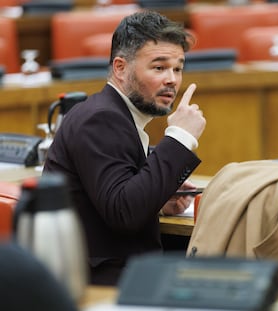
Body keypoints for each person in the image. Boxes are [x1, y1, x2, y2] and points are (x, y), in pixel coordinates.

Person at [43, 10, 206, 286]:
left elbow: (115, 197)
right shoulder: (101, 119)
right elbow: (124, 212)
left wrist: (159, 197)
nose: (172, 80)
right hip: (102, 285)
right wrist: (180, 137)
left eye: (178, 68)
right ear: (120, 68)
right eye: (159, 67)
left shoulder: (113, 114)